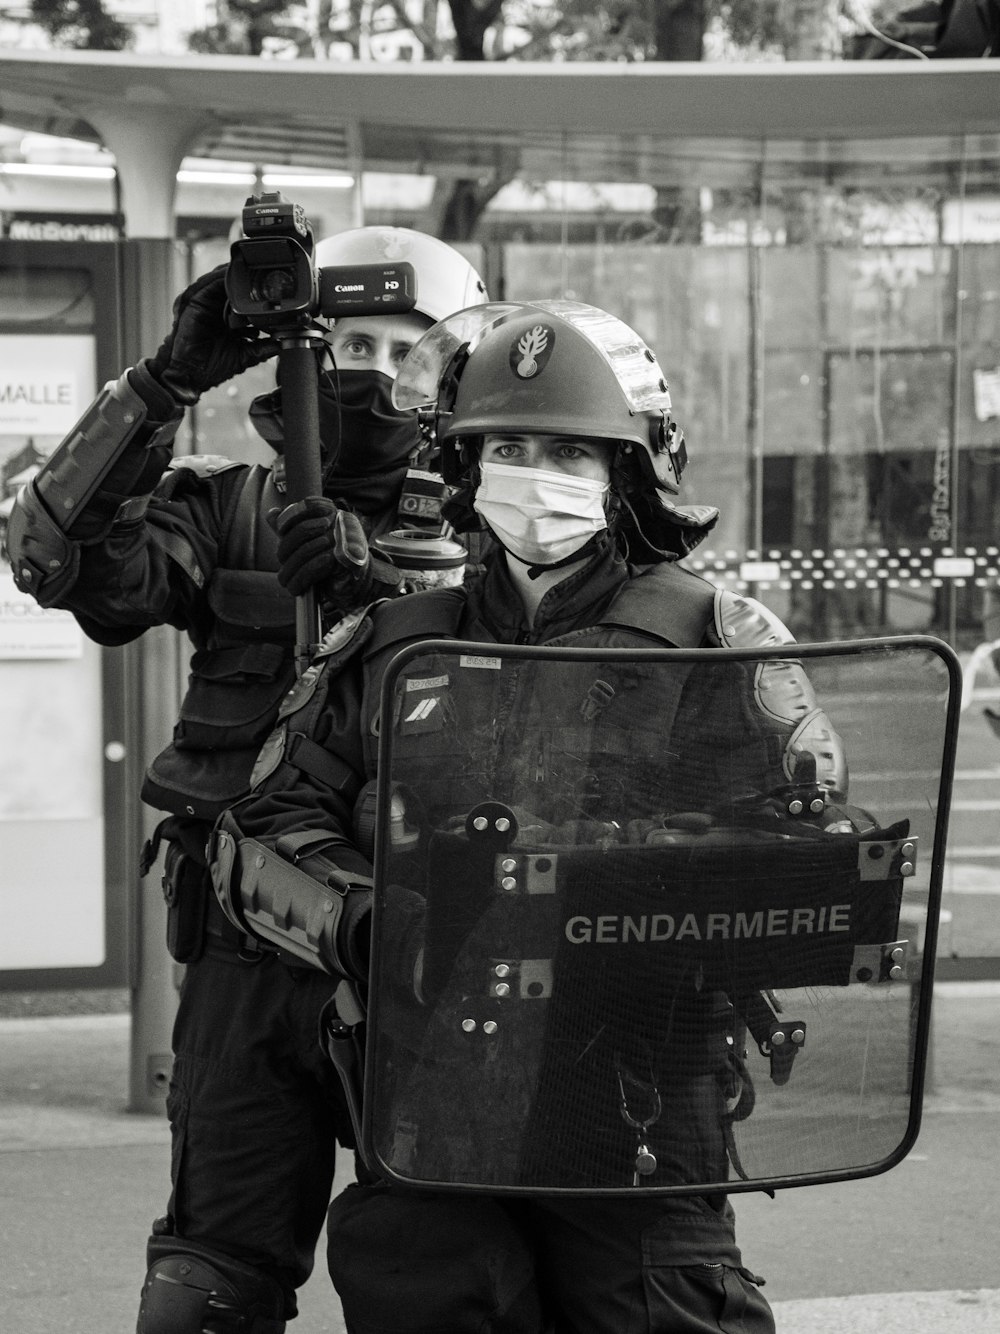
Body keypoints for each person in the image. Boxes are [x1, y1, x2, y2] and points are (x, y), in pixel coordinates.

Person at [210, 299, 869, 1333]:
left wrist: (612, 891)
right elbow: (253, 838)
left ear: (628, 470)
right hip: (430, 1095)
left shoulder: (720, 638)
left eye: (568, 447)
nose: (535, 472)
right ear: (464, 467)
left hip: (637, 1098)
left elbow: (825, 862)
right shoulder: (388, 638)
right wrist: (372, 923)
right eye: (507, 445)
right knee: (428, 1293)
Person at [6, 226, 488, 1333]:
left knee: (445, 1276)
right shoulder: (226, 506)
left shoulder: (498, 530)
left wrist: (383, 593)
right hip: (244, 950)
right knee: (204, 1284)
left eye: (397, 347)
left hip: (426, 955)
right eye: (342, 340)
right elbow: (54, 554)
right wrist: (163, 380)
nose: (365, 369)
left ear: (449, 365)